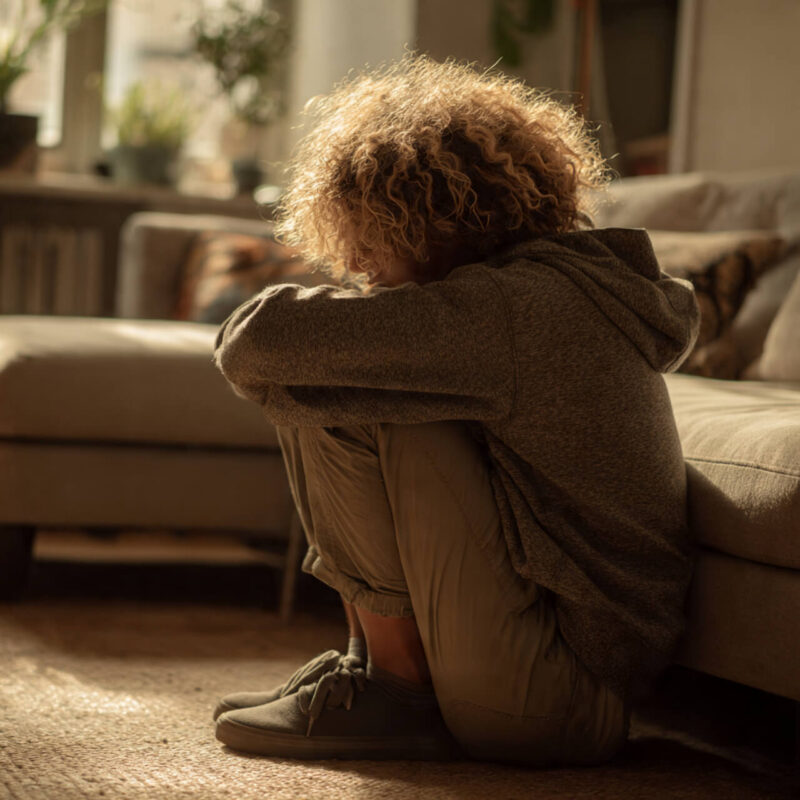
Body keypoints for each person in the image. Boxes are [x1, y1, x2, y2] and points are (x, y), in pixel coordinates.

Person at [212, 55, 699, 767]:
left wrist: (359, 319)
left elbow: (257, 343)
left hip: (551, 700)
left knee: (345, 384)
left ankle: (396, 690)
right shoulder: (547, 292)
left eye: (370, 234)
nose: (360, 260)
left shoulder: (511, 311)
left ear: (430, 214)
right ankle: (374, 670)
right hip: (560, 678)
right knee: (343, 373)